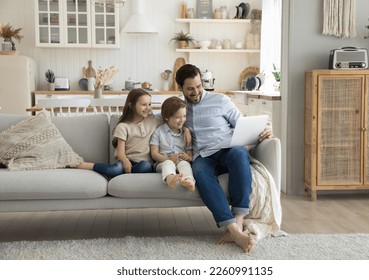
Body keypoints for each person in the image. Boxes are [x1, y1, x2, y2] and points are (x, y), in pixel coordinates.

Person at [175, 64, 272, 253]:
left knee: (238, 154)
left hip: (228, 149)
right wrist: (183, 127)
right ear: (180, 88)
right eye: (190, 89)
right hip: (204, 155)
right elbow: (166, 122)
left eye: (198, 86)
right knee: (200, 172)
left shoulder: (220, 100)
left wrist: (266, 130)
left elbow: (242, 122)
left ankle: (238, 222)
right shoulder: (180, 108)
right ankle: (235, 232)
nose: (196, 92)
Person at [78, 88, 162, 177]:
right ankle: (90, 166)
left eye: (149, 104)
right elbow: (120, 152)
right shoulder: (123, 126)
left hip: (144, 163)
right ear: (131, 105)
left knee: (145, 166)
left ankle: (125, 173)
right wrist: (125, 161)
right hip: (126, 160)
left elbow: (170, 115)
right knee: (115, 169)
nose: (148, 108)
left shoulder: (154, 120)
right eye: (144, 104)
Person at [150, 96, 195, 192]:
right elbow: (154, 154)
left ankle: (189, 181)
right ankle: (170, 178)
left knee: (185, 164)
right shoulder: (159, 132)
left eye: (184, 116)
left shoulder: (185, 134)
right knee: (168, 163)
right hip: (162, 162)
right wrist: (168, 159)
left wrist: (189, 157)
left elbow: (189, 151)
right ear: (166, 117)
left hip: (180, 161)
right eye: (177, 117)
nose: (182, 120)